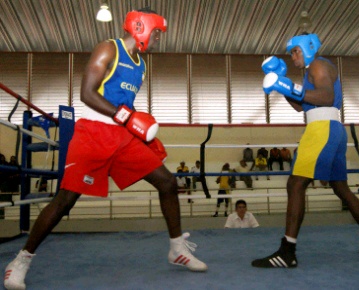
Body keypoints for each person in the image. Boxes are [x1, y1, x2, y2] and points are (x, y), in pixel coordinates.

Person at [4, 8, 207, 290]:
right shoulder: (108, 48)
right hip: (93, 132)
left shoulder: (141, 65)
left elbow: (124, 104)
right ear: (141, 26)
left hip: (123, 135)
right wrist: (126, 117)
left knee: (168, 182)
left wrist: (141, 129)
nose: (158, 39)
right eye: (157, 32)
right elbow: (87, 93)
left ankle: (177, 249)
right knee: (65, 201)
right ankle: (21, 260)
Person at [252, 33, 359, 268]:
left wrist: (289, 85)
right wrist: (281, 83)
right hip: (331, 128)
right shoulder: (309, 72)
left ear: (308, 48)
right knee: (341, 188)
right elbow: (299, 106)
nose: (292, 56)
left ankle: (287, 252)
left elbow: (326, 96)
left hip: (322, 128)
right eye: (291, 52)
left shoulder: (319, 65)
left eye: (296, 51)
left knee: (296, 184)